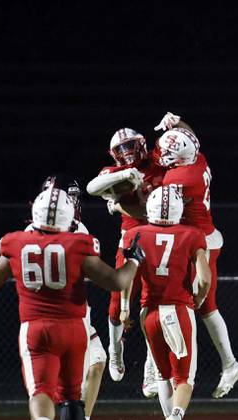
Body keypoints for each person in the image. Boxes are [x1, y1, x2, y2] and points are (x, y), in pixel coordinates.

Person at [0, 183, 143, 420]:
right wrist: (133, 260)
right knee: (71, 396)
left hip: (36, 328)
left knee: (40, 391)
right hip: (74, 329)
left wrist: (16, 270)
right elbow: (117, 282)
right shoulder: (78, 244)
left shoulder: (15, 242)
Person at [155, 112, 238, 398]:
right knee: (206, 307)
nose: (162, 156)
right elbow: (189, 139)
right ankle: (229, 363)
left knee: (179, 302)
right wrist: (178, 123)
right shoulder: (198, 159)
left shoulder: (178, 178)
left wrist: (120, 203)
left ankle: (158, 366)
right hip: (205, 236)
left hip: (196, 244)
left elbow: (156, 209)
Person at [122, 186, 211, 420]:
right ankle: (176, 419)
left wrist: (125, 308)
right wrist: (198, 299)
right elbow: (204, 278)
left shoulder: (134, 233)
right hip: (178, 310)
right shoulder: (192, 234)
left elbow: (128, 276)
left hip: (149, 312)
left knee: (163, 375)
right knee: (184, 378)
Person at [26, 176, 109, 420]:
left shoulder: (76, 227)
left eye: (73, 198)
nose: (71, 203)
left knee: (97, 361)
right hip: (58, 313)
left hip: (75, 309)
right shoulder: (35, 233)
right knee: (57, 380)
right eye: (65, 198)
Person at [86, 128, 166, 397]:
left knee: (153, 304)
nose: (127, 152)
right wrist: (124, 176)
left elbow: (143, 209)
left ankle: (150, 367)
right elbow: (93, 187)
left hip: (160, 239)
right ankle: (115, 349)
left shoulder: (158, 165)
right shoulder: (114, 172)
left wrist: (117, 204)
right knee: (115, 302)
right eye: (120, 149)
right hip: (131, 239)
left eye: (130, 145)